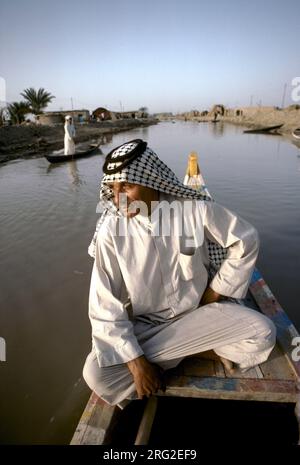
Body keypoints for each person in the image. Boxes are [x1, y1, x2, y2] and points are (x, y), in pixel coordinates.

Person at [83, 139, 276, 406]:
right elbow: (103, 305)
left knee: (263, 333)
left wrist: (215, 291)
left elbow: (245, 239)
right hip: (147, 325)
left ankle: (173, 356)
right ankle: (203, 350)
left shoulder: (192, 210)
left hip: (199, 313)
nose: (119, 198)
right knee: (95, 373)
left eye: (127, 185)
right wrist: (137, 363)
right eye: (112, 189)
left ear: (150, 179)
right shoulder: (111, 232)